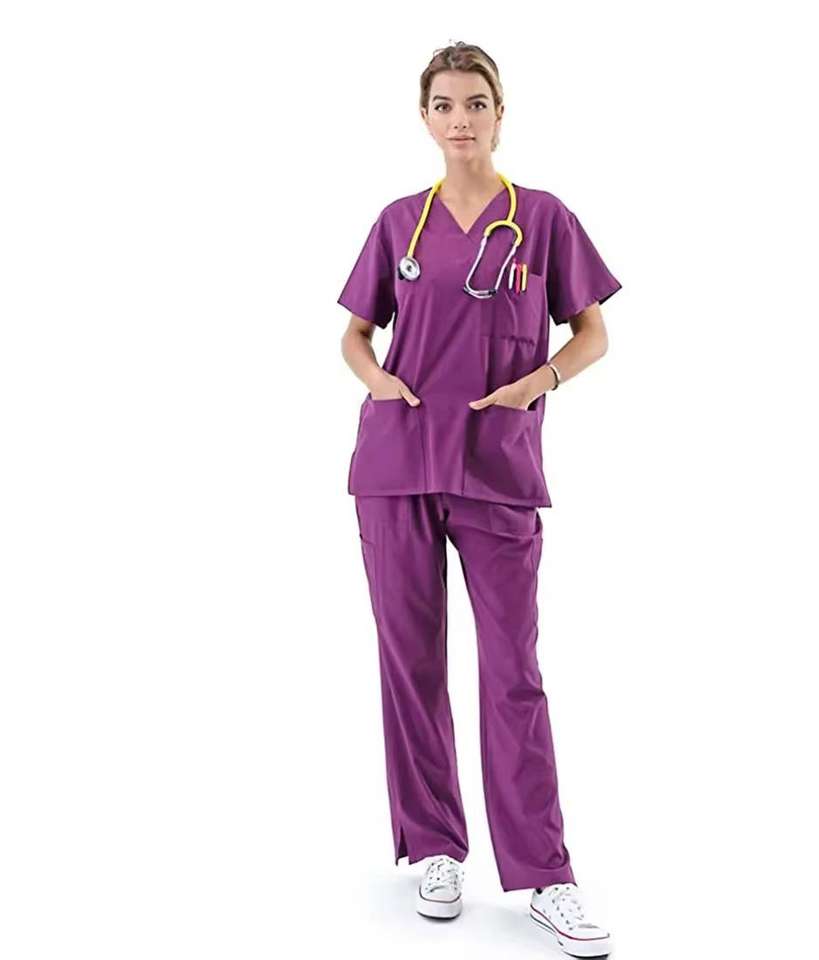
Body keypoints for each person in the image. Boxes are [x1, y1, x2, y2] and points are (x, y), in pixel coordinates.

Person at [337, 42, 621, 959]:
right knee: (410, 663)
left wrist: (538, 381)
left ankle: (545, 875)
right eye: (444, 105)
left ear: (501, 113)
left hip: (497, 468)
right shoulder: (399, 223)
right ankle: (435, 850)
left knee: (512, 671)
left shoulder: (542, 219)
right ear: (424, 118)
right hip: (397, 465)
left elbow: (592, 333)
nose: (460, 119)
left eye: (476, 103)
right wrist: (378, 382)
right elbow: (354, 335)